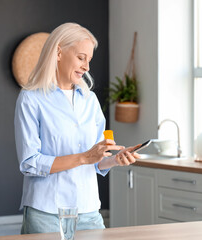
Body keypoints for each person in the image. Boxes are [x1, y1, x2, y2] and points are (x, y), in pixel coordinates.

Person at [14, 22, 140, 234]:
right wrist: (83, 157)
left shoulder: (89, 100)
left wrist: (114, 159)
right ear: (59, 52)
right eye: (81, 58)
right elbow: (30, 163)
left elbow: (95, 160)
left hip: (88, 210)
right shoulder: (31, 99)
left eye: (89, 60)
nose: (87, 67)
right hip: (47, 212)